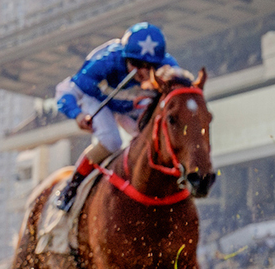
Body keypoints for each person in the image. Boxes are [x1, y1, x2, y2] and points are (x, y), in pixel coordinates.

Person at [50, 22, 179, 212]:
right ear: (125, 57)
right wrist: (77, 114)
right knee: (112, 141)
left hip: (127, 107)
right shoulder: (105, 62)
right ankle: (71, 187)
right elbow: (65, 90)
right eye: (136, 64)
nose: (143, 72)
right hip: (97, 100)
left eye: (150, 66)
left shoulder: (168, 66)